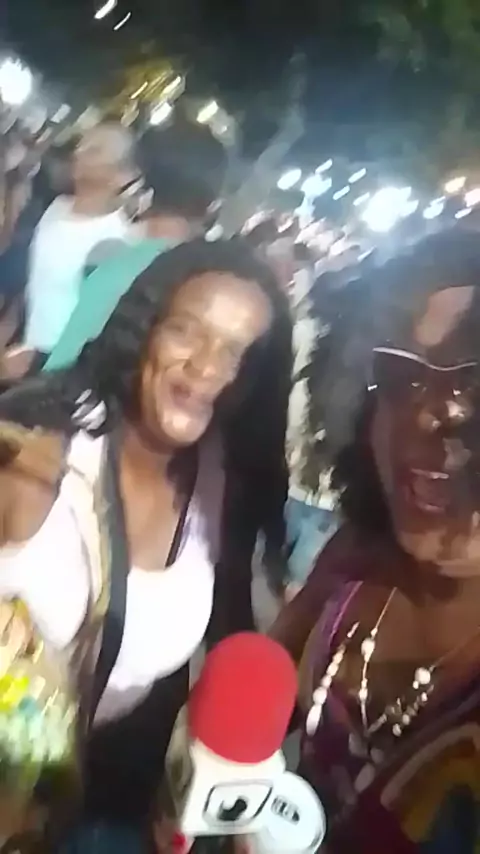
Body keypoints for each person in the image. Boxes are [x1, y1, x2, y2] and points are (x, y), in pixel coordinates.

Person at [0, 237, 291, 852]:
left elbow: (224, 637)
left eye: (237, 352)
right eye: (187, 331)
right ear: (145, 330)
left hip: (103, 802)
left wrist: (217, 797)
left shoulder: (222, 484)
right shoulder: (34, 455)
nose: (206, 366)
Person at [272, 229, 480, 853]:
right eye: (402, 376)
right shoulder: (354, 559)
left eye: (475, 383)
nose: (426, 415)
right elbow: (256, 699)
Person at [42, 119, 228, 373]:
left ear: (143, 178)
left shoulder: (113, 254)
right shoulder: (205, 279)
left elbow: (63, 358)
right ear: (210, 200)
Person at [23, 122, 134, 354]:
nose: (79, 153)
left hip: (50, 360)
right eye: (81, 144)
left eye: (94, 150)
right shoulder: (57, 207)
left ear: (121, 175)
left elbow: (91, 325)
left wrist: (38, 360)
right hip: (21, 346)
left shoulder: (112, 239)